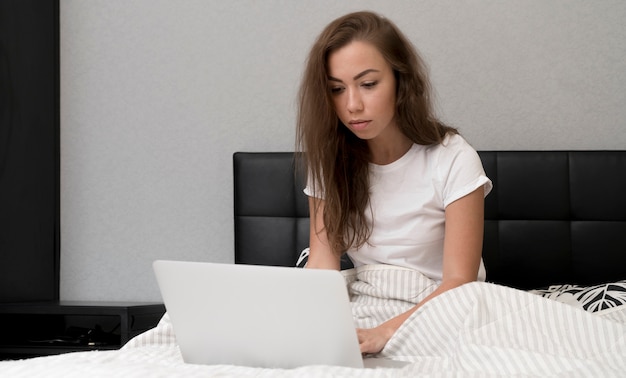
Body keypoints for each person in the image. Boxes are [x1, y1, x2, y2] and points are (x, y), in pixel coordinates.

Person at [295, 11, 492, 356]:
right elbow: (323, 262)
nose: (352, 105)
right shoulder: (330, 160)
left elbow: (459, 283)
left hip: (442, 307)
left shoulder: (453, 158)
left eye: (368, 84)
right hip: (366, 297)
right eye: (337, 89)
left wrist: (384, 334)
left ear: (401, 81)